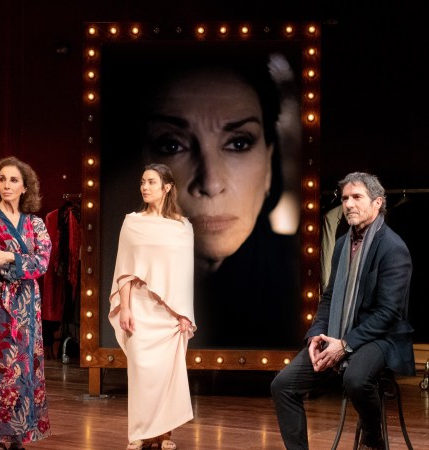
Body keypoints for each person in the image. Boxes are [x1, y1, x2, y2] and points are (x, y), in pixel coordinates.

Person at [132, 50, 302, 348]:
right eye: (172, 145)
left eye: (239, 143)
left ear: (268, 165)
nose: (210, 183)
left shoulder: (303, 280)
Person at [270, 172, 416, 450]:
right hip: (338, 330)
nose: (348, 204)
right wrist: (316, 334)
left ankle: (373, 438)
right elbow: (329, 297)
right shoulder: (341, 244)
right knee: (282, 385)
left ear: (377, 203)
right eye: (345, 198)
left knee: (356, 380)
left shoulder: (393, 248)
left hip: (380, 336)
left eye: (357, 197)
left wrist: (345, 344)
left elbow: (388, 313)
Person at [108, 163, 195, 450]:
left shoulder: (182, 227)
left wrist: (184, 314)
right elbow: (124, 270)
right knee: (141, 373)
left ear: (167, 187)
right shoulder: (132, 222)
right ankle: (139, 433)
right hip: (140, 307)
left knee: (168, 375)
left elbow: (184, 276)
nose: (144, 187)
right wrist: (126, 308)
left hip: (169, 313)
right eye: (143, 182)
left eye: (151, 182)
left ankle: (164, 434)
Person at [0, 156, 52, 450]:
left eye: (13, 180)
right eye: (2, 179)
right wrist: (16, 261)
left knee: (24, 368)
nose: (7, 185)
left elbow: (42, 263)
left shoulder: (35, 223)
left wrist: (9, 256)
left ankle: (18, 435)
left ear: (25, 187)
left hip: (27, 304)